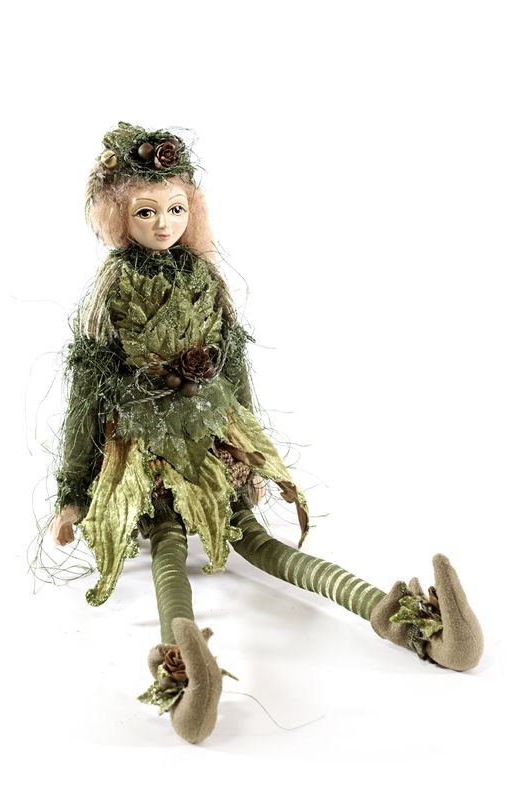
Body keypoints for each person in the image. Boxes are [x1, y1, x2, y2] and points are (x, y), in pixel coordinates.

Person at [46, 122, 483, 745]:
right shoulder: (111, 290)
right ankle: (183, 671)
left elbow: (234, 372)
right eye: (146, 211)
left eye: (176, 208)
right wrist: (73, 494)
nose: (164, 223)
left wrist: (249, 454)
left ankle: (408, 622)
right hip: (147, 458)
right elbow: (86, 396)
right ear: (117, 217)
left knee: (264, 546)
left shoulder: (205, 279)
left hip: (214, 446)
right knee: (167, 550)